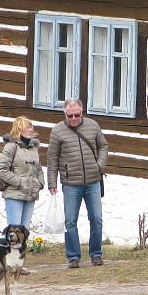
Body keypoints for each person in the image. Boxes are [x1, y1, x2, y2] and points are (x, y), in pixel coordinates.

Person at [47, 99, 109, 268]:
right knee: (70, 221)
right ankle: (73, 257)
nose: (73, 118)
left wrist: (99, 166)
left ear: (82, 112)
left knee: (96, 218)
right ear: (64, 113)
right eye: (70, 115)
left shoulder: (93, 125)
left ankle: (96, 254)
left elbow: (103, 146)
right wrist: (52, 182)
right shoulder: (57, 131)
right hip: (70, 183)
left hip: (93, 181)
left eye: (77, 115)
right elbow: (52, 158)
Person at [0, 116, 43, 229]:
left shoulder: (33, 148)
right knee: (14, 231)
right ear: (19, 128)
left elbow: (39, 169)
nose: (31, 129)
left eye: (31, 126)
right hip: (14, 194)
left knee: (24, 231)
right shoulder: (10, 147)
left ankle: (21, 247)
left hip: (31, 194)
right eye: (27, 127)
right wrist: (20, 182)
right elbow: (1, 170)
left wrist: (40, 183)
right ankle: (9, 248)